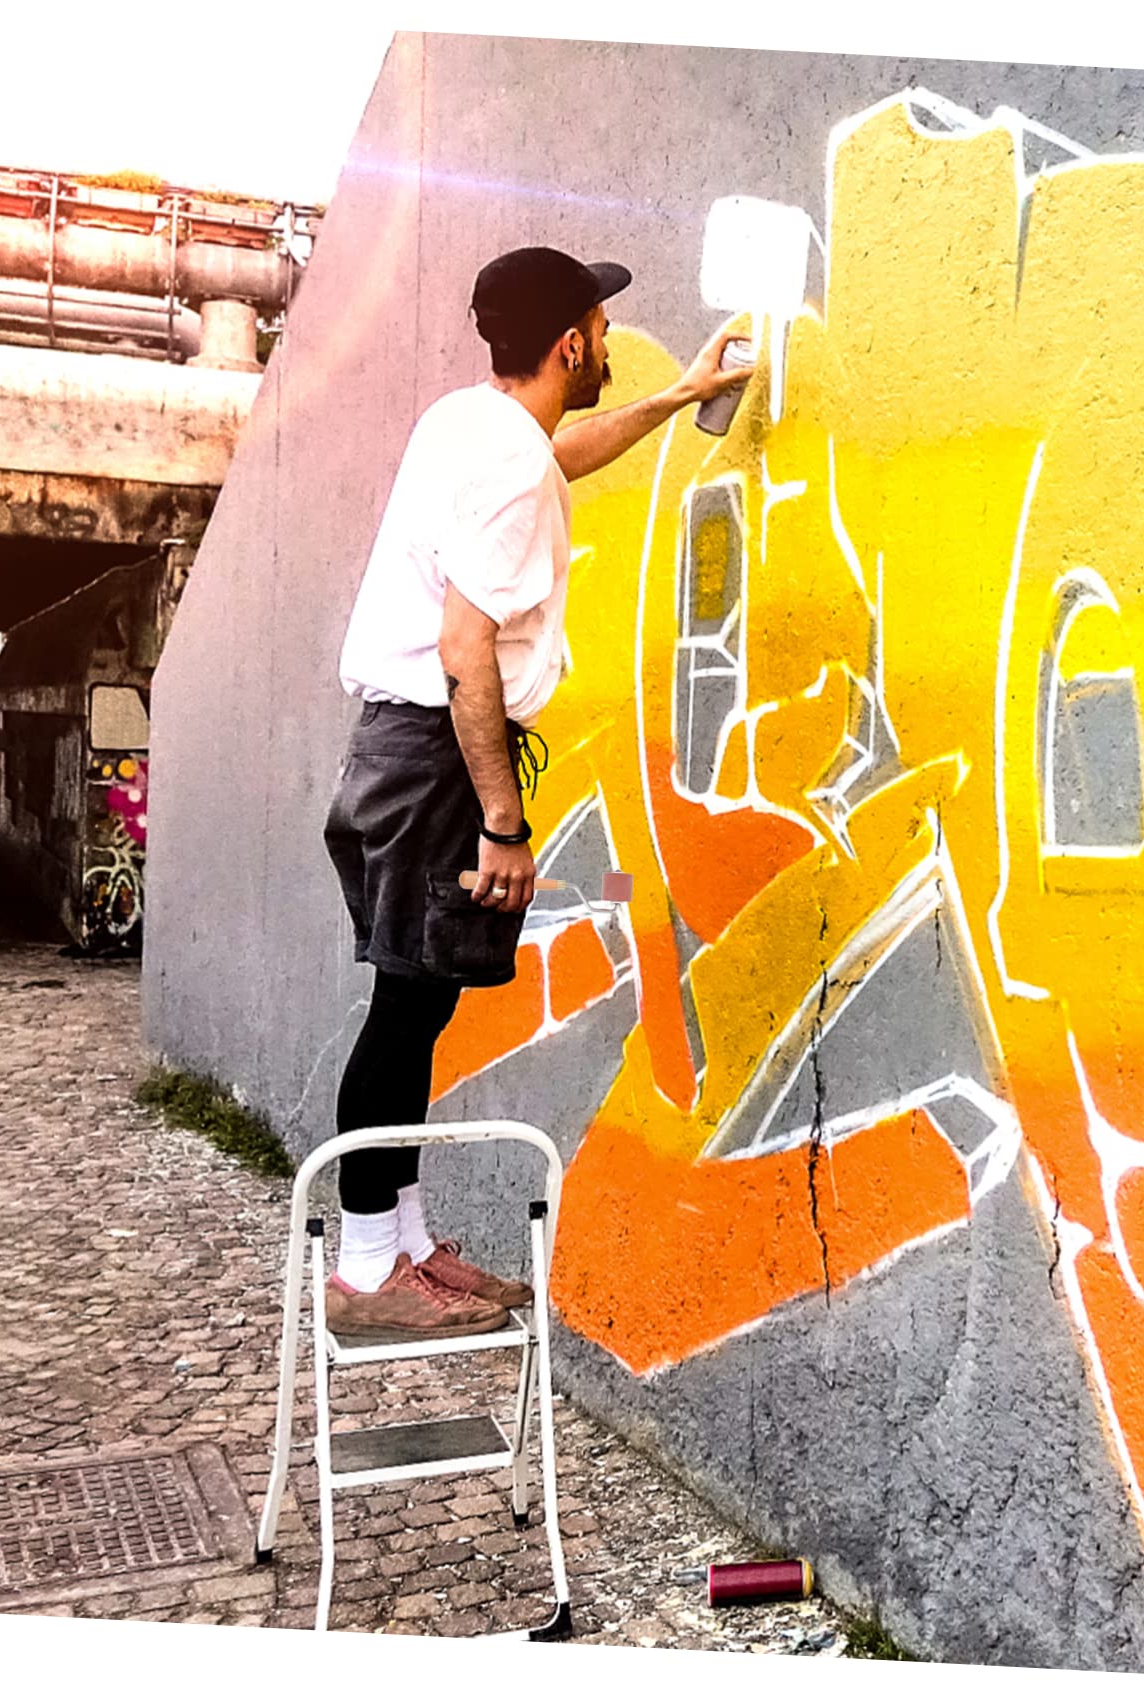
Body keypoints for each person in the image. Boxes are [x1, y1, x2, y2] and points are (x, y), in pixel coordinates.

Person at [323, 245, 753, 1336]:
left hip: (403, 752)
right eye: (600, 332)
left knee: (418, 1005)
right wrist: (502, 826)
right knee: (403, 1008)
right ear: (569, 344)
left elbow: (560, 456)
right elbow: (465, 648)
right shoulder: (508, 465)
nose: (607, 344)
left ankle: (401, 1241)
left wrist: (677, 397)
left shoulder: (472, 425)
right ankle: (366, 1272)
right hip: (435, 757)